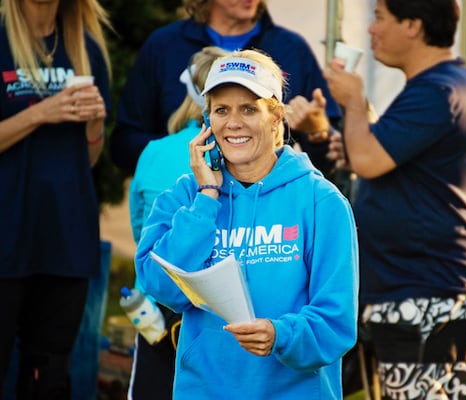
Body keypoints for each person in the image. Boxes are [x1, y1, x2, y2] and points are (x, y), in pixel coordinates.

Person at [135, 49, 359, 399]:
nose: (233, 122)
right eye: (222, 109)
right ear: (207, 118)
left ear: (276, 117)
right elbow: (160, 287)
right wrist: (207, 197)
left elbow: (336, 322)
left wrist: (279, 334)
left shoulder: (321, 201)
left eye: (249, 109)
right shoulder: (184, 195)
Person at [323, 1, 466, 399]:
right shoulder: (438, 86)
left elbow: (367, 159)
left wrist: (352, 101)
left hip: (428, 294)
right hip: (416, 291)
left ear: (413, 25)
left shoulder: (438, 91)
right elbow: (377, 155)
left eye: (380, 18)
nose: (371, 30)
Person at [0, 0, 111, 397]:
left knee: (47, 377)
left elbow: (89, 158)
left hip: (65, 237)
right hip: (6, 234)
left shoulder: (85, 47)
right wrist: (40, 113)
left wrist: (95, 123)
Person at [110, 0, 341, 181]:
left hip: (267, 210)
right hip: (186, 207)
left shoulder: (292, 49)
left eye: (249, 108)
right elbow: (124, 144)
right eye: (220, 110)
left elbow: (337, 163)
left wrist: (318, 133)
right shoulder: (163, 47)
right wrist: (187, 155)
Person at [127, 46, 227, 400]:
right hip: (216, 308)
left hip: (155, 307)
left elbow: (140, 229)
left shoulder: (154, 152)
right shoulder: (235, 156)